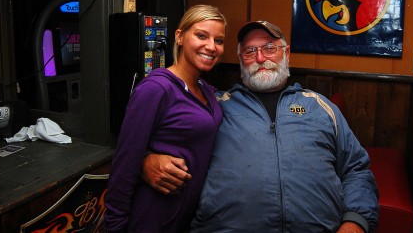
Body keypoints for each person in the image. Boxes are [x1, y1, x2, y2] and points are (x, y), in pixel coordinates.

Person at [143, 20, 380, 232]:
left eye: (269, 48)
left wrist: (355, 222)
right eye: (249, 51)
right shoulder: (213, 109)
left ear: (286, 53)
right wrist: (147, 161)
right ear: (240, 60)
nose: (260, 58)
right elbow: (165, 143)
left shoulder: (320, 107)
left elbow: (356, 169)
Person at [104, 5, 227, 233]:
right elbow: (125, 161)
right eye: (201, 35)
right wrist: (115, 226)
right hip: (152, 216)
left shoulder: (206, 90)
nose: (211, 46)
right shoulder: (156, 88)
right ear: (180, 37)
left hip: (186, 216)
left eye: (218, 40)